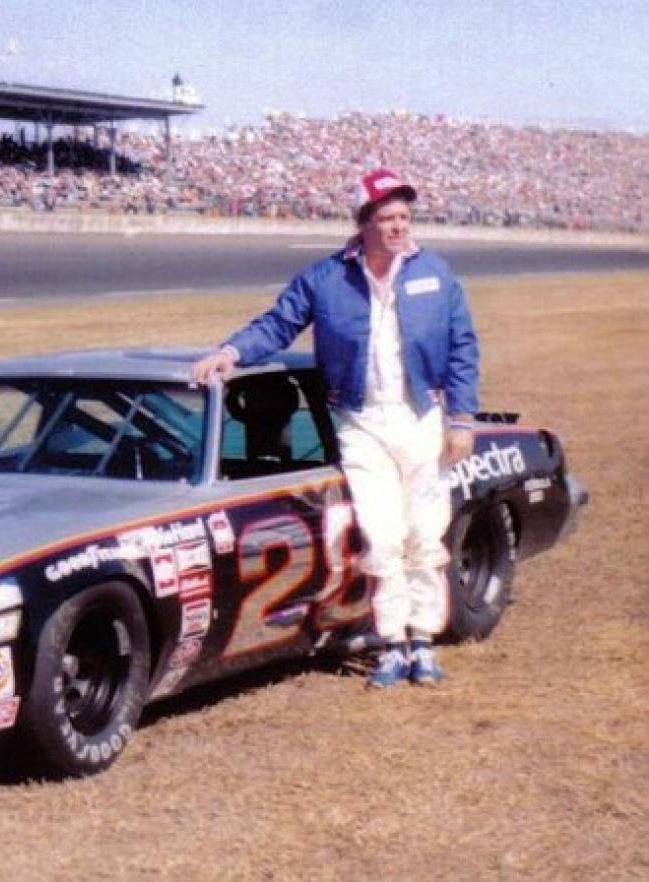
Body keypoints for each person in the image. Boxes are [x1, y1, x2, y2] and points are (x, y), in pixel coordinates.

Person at [192, 168, 479, 688]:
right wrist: (231, 351)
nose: (399, 226)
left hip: (421, 417)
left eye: (405, 217)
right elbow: (279, 323)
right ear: (363, 223)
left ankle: (422, 640)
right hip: (360, 422)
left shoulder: (435, 273)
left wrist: (460, 419)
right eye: (387, 218)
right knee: (382, 534)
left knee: (424, 531)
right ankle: (391, 644)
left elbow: (462, 347)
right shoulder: (325, 278)